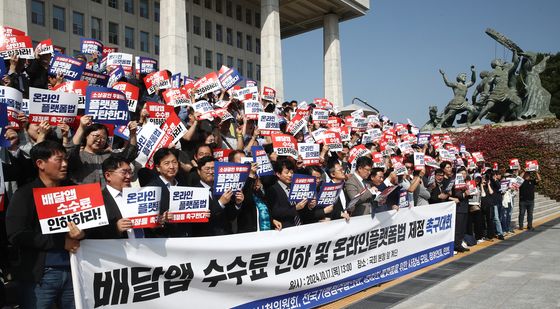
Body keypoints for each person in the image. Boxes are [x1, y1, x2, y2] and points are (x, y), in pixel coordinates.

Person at [5, 141, 84, 309]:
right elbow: (16, 234)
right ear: (40, 164)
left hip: (76, 271)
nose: (65, 164)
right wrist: (60, 242)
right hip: (41, 276)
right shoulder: (25, 194)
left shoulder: (75, 192)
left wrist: (82, 234)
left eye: (66, 159)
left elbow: (93, 224)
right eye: (59, 160)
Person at [66, 116, 138, 186]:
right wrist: (81, 128)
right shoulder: (78, 156)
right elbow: (70, 151)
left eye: (104, 138)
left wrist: (133, 133)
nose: (99, 140)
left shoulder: (110, 157)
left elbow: (129, 154)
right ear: (86, 136)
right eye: (96, 136)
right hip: (84, 196)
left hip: (106, 197)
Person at [192, 156, 244, 236]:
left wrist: (238, 204)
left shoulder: (223, 188)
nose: (211, 172)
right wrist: (220, 203)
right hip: (205, 238)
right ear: (199, 171)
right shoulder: (194, 191)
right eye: (207, 169)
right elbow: (199, 219)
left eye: (213, 169)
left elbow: (230, 217)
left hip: (226, 236)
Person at [265, 158, 311, 228]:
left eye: (292, 172)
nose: (290, 175)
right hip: (285, 228)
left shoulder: (296, 186)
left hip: (301, 226)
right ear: (278, 174)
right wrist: (295, 208)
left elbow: (302, 209)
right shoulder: (272, 189)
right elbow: (275, 212)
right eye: (286, 173)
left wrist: (309, 206)